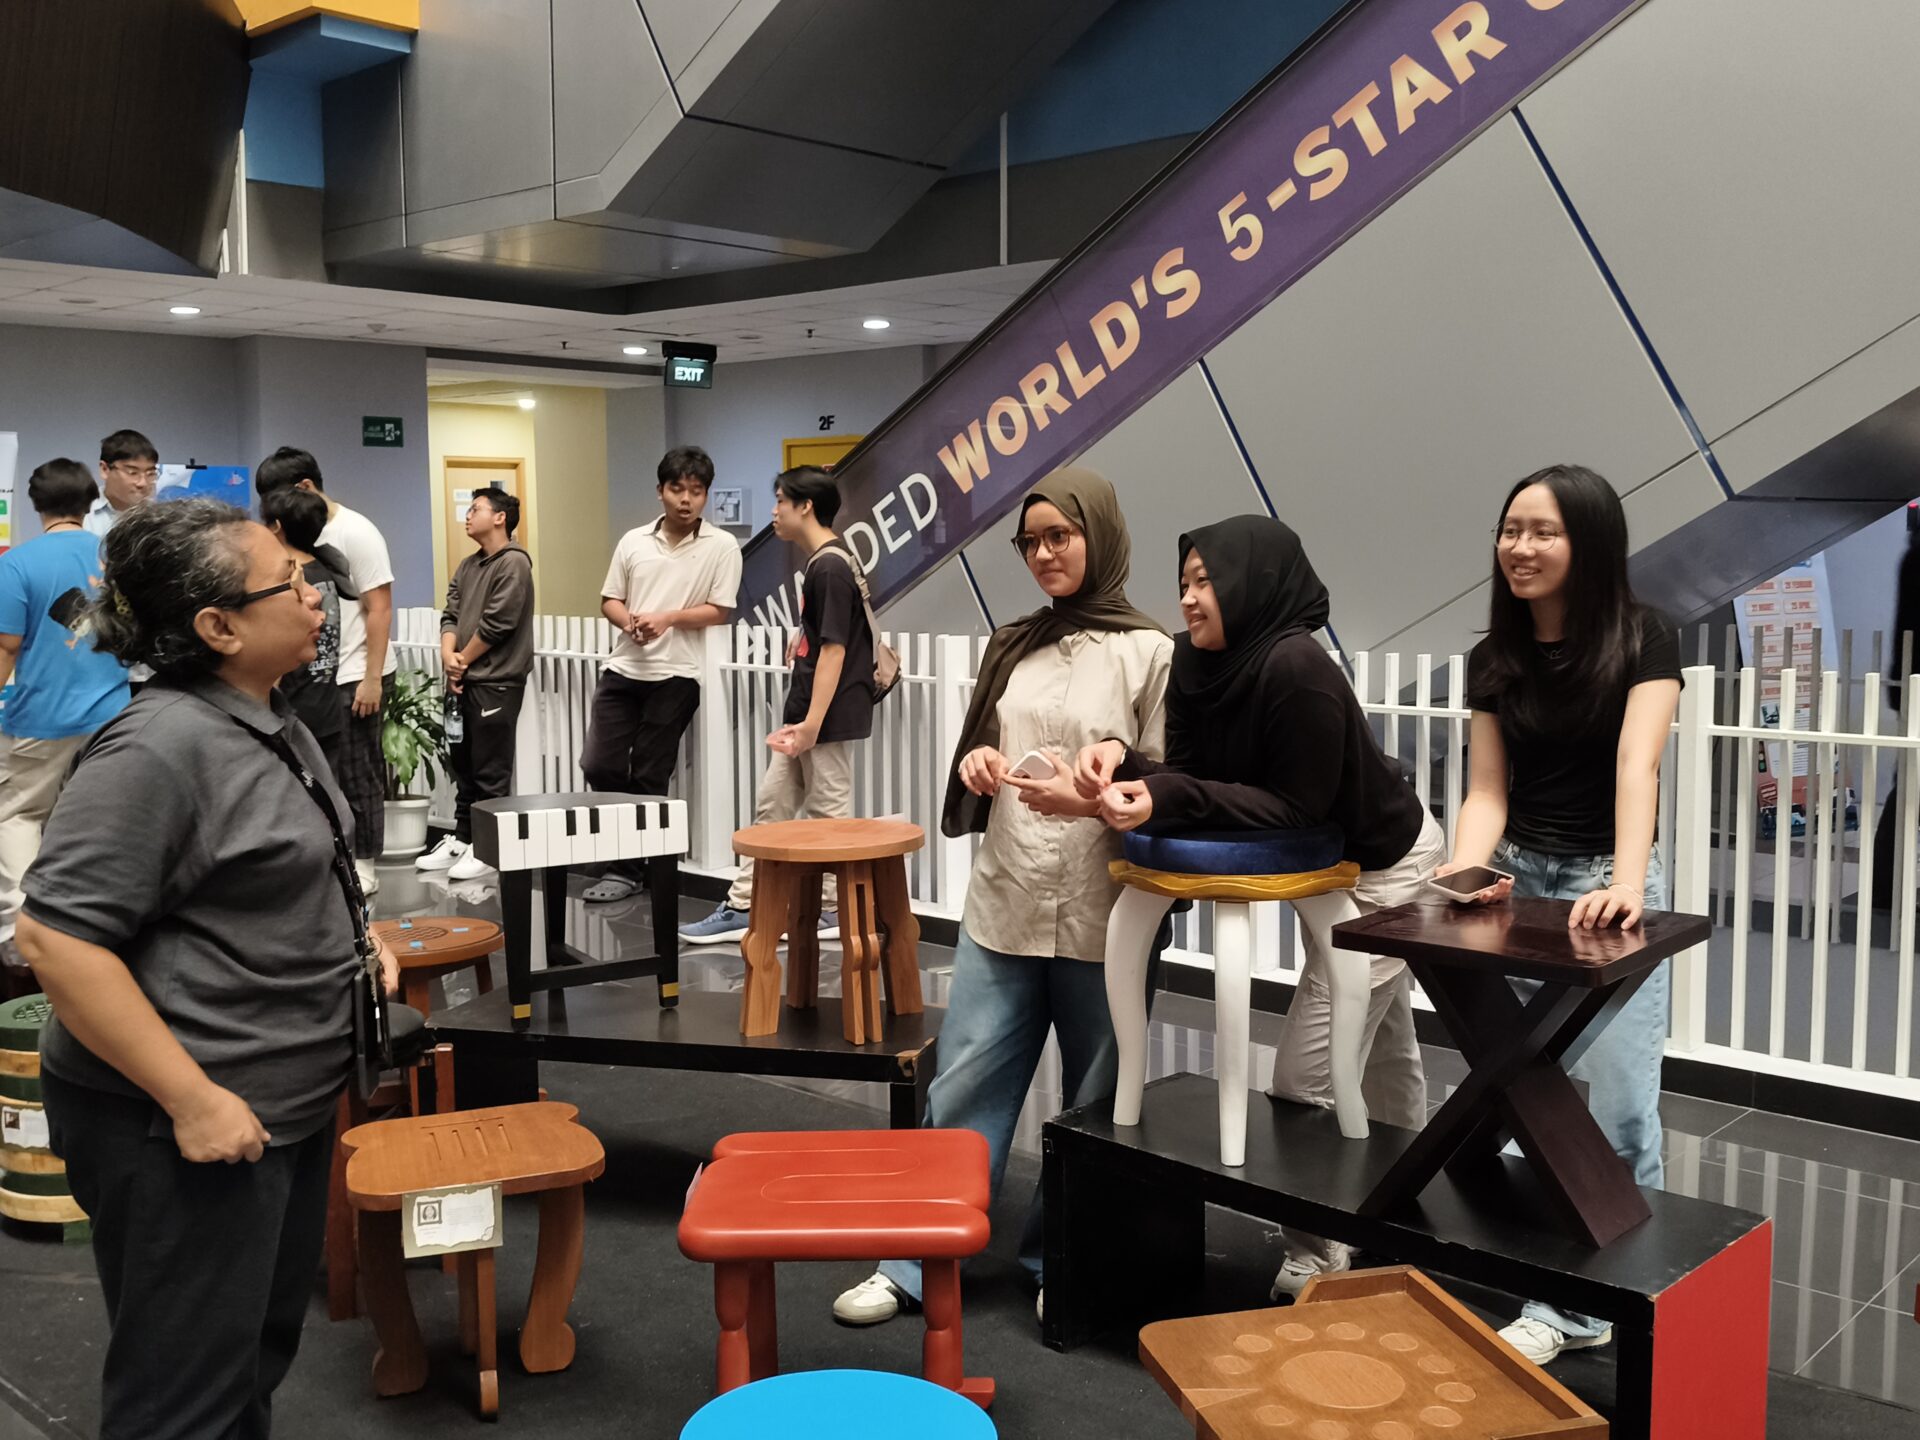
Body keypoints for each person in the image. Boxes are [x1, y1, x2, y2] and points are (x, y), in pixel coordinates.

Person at [17, 497, 399, 1440]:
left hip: (279, 1102)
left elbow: (279, 863)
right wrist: (193, 1101)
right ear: (218, 627)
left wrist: (361, 938)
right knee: (181, 1396)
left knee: (248, 1361)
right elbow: (56, 939)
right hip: (185, 1122)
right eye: (290, 583)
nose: (317, 597)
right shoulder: (157, 747)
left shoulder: (269, 715)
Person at [832, 467, 1171, 1327]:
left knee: (1097, 1102)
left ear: (1100, 535)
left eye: (1062, 536)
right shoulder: (1013, 643)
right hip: (1007, 895)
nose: (1045, 554)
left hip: (1105, 909)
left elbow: (1170, 783)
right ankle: (915, 1260)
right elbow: (984, 752)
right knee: (963, 1084)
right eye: (1032, 542)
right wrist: (980, 762)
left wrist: (1094, 796)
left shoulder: (1151, 653)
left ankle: (1065, 1260)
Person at [1077, 514, 1446, 1296]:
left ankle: (1317, 1251)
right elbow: (1197, 774)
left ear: (1253, 583)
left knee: (1305, 1076)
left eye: (1206, 581)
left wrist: (1167, 793)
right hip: (1334, 858)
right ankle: (1396, 1215)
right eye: (1184, 582)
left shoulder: (1297, 666)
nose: (1189, 598)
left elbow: (1295, 806)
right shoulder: (1194, 660)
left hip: (1388, 866)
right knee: (1382, 1046)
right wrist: (1126, 761)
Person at [1438, 464, 1682, 1365]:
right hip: (1519, 881)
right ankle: (1544, 1269)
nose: (1521, 547)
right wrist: (1464, 869)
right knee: (1522, 1092)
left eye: (1543, 531)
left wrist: (1627, 881)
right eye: (1511, 530)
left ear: (1589, 541)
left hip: (1603, 877)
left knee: (1618, 1100)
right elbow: (1487, 790)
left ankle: (1594, 1306)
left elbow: (1636, 768)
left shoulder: (1646, 637)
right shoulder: (1492, 659)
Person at [681, 466, 874, 944]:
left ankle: (830, 908)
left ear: (804, 506)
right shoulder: (826, 562)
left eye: (780, 501)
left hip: (822, 718)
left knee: (827, 813)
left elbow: (835, 651)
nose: (774, 511)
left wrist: (811, 724)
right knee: (773, 805)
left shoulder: (829, 566)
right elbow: (830, 636)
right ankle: (747, 903)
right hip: (809, 714)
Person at [577, 446, 741, 903]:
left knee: (650, 773)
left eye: (697, 491)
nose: (686, 500)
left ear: (706, 495)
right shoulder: (633, 541)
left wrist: (667, 618)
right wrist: (629, 622)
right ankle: (626, 855)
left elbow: (720, 610)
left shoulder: (722, 546)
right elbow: (610, 600)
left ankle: (628, 869)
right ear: (660, 491)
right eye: (677, 489)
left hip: (678, 674)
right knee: (598, 764)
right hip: (623, 667)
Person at [0, 459, 132, 958]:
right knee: (96, 819)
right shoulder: (115, 558)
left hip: (41, 719)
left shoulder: (17, 563)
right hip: (113, 717)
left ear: (36, 503)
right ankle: (99, 924)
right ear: (88, 500)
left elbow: (7, 647)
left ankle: (21, 936)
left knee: (18, 815)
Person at [255, 447, 398, 894]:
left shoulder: (355, 532)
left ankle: (365, 863)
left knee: (358, 774)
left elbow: (380, 608)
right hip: (321, 679)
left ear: (304, 488)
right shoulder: (300, 544)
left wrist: (371, 678)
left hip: (356, 673)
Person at [415, 486, 535, 883]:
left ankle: (489, 849)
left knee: (490, 772)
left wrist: (461, 661)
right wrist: (449, 656)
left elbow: (499, 623)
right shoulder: (468, 565)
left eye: (476, 508)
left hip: (496, 681)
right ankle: (463, 839)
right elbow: (450, 613)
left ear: (500, 517)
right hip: (463, 679)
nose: (468, 515)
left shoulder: (514, 563)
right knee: (463, 767)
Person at [259, 485, 357, 781]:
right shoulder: (326, 570)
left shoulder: (290, 581)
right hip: (327, 708)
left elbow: (278, 650)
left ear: (276, 527)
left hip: (293, 713)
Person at [84, 429, 158, 539]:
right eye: (133, 473)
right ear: (105, 469)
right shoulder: (81, 513)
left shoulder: (158, 517)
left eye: (150, 474)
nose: (143, 483)